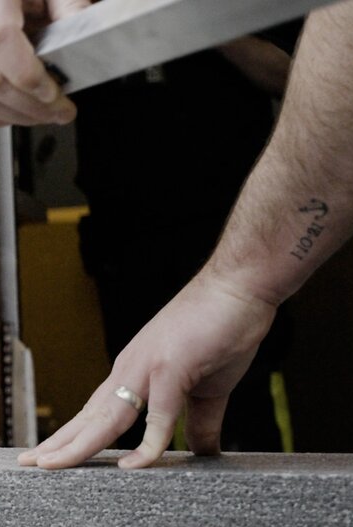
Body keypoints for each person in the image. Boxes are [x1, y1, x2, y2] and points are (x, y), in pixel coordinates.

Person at [0, 0, 353, 468]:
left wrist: (244, 281)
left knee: (245, 423)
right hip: (126, 242)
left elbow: (320, 69)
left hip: (233, 222)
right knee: (137, 422)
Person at [73, 25, 300, 454]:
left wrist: (195, 18)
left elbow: (301, 74)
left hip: (229, 224)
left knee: (243, 400)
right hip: (125, 231)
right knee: (130, 399)